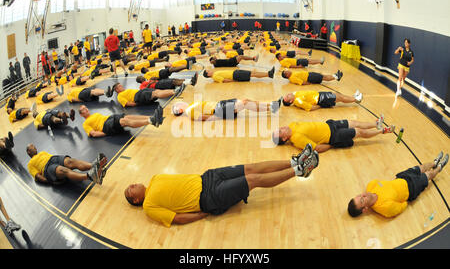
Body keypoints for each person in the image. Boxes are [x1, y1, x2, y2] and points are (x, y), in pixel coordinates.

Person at [124, 145, 319, 227]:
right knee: (253, 180)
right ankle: (300, 171)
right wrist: (203, 214)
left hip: (207, 177)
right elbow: (176, 219)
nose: (131, 185)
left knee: (251, 167)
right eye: (129, 190)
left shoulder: (155, 178)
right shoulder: (149, 207)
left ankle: (294, 162)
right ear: (136, 199)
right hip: (209, 198)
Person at [347, 153, 448, 218]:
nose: (363, 195)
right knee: (428, 175)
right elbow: (402, 206)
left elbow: (382, 182)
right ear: (365, 209)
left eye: (359, 195)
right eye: (362, 200)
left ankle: (434, 163)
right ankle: (439, 167)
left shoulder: (370, 186)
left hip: (402, 177)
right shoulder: (385, 208)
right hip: (412, 189)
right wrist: (404, 195)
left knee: (421, 167)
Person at [272, 116, 395, 153]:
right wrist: (332, 144)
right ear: (284, 138)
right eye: (280, 131)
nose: (282, 127)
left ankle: (375, 124)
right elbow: (317, 148)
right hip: (334, 136)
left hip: (330, 124)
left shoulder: (292, 124)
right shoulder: (297, 139)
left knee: (354, 122)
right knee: (359, 132)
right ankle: (382, 131)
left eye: (279, 128)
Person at [26, 144, 106, 185]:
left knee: (70, 161)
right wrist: (50, 181)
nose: (34, 147)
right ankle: (91, 176)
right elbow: (37, 176)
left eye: (34, 146)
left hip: (53, 159)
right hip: (47, 168)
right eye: (32, 147)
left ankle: (95, 165)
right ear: (28, 152)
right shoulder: (30, 164)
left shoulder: (42, 152)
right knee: (64, 170)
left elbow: (52, 157)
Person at [79, 105, 160, 137]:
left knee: (128, 116)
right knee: (124, 121)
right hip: (106, 126)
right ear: (81, 115)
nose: (86, 109)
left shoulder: (94, 114)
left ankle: (153, 117)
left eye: (85, 108)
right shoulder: (85, 124)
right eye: (83, 110)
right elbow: (93, 133)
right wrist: (107, 133)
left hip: (109, 118)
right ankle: (151, 121)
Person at [171, 97, 281, 121]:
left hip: (220, 104)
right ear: (180, 110)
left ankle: (271, 105)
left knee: (246, 100)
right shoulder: (190, 112)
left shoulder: (191, 105)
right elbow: (203, 117)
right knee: (245, 103)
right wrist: (220, 116)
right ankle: (271, 106)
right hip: (219, 110)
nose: (180, 104)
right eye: (178, 106)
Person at [112, 83, 185, 108]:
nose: (122, 86)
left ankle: (174, 91)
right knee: (156, 93)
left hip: (140, 92)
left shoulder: (124, 91)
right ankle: (175, 92)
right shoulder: (119, 96)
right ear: (117, 90)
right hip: (138, 96)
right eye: (120, 86)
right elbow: (127, 104)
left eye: (121, 85)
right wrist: (139, 103)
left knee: (157, 91)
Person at [281, 89, 363, 111]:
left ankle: (353, 97)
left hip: (320, 95)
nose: (288, 94)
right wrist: (321, 105)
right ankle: (356, 99)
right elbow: (309, 108)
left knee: (338, 95)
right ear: (290, 101)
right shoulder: (298, 101)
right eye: (287, 97)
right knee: (340, 98)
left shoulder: (295, 96)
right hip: (321, 99)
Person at [203, 67, 275, 83]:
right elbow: (224, 80)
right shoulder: (215, 77)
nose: (209, 70)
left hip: (235, 72)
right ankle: (268, 74)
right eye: (208, 71)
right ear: (208, 74)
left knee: (253, 73)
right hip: (235, 75)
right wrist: (234, 81)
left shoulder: (215, 74)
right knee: (253, 74)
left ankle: (268, 74)